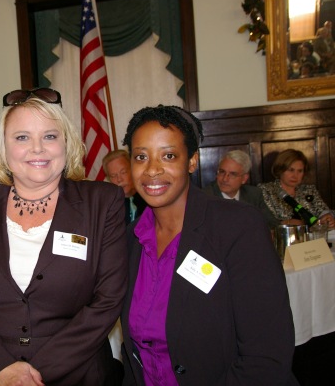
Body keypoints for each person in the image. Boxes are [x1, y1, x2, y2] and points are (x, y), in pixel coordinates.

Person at [0, 88, 128, 386]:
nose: (37, 148)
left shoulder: (102, 202)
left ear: (66, 143)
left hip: (77, 373)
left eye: (49, 136)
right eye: (22, 137)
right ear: (3, 147)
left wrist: (33, 374)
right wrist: (1, 367)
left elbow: (107, 301)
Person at [120, 105, 298, 385]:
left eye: (168, 155)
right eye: (141, 156)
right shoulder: (131, 239)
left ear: (191, 161)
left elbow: (266, 355)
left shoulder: (237, 227)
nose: (152, 169)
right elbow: (133, 353)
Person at [258, 149, 335, 227]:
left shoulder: (309, 190)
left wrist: (327, 218)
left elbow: (323, 211)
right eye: (291, 170)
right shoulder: (265, 190)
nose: (295, 176)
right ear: (280, 170)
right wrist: (286, 222)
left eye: (300, 171)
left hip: (312, 237)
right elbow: (262, 221)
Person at [202, 150, 279, 227]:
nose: (225, 179)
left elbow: (272, 224)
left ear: (244, 179)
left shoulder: (254, 194)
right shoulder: (205, 197)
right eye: (222, 172)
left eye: (232, 174)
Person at [102, 149, 148, 224]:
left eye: (123, 172)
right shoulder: (110, 209)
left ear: (133, 169)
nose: (119, 179)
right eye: (113, 176)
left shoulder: (150, 199)